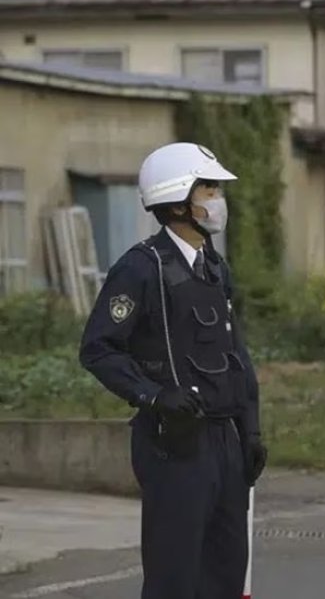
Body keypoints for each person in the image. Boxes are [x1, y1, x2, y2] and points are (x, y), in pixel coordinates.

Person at [78, 141, 267, 599]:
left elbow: (234, 356)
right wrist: (153, 395)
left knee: (226, 571)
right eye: (210, 188)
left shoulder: (214, 268)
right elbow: (98, 349)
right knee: (175, 577)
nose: (218, 199)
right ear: (179, 200)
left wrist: (252, 430)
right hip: (175, 443)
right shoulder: (141, 268)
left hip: (226, 441)